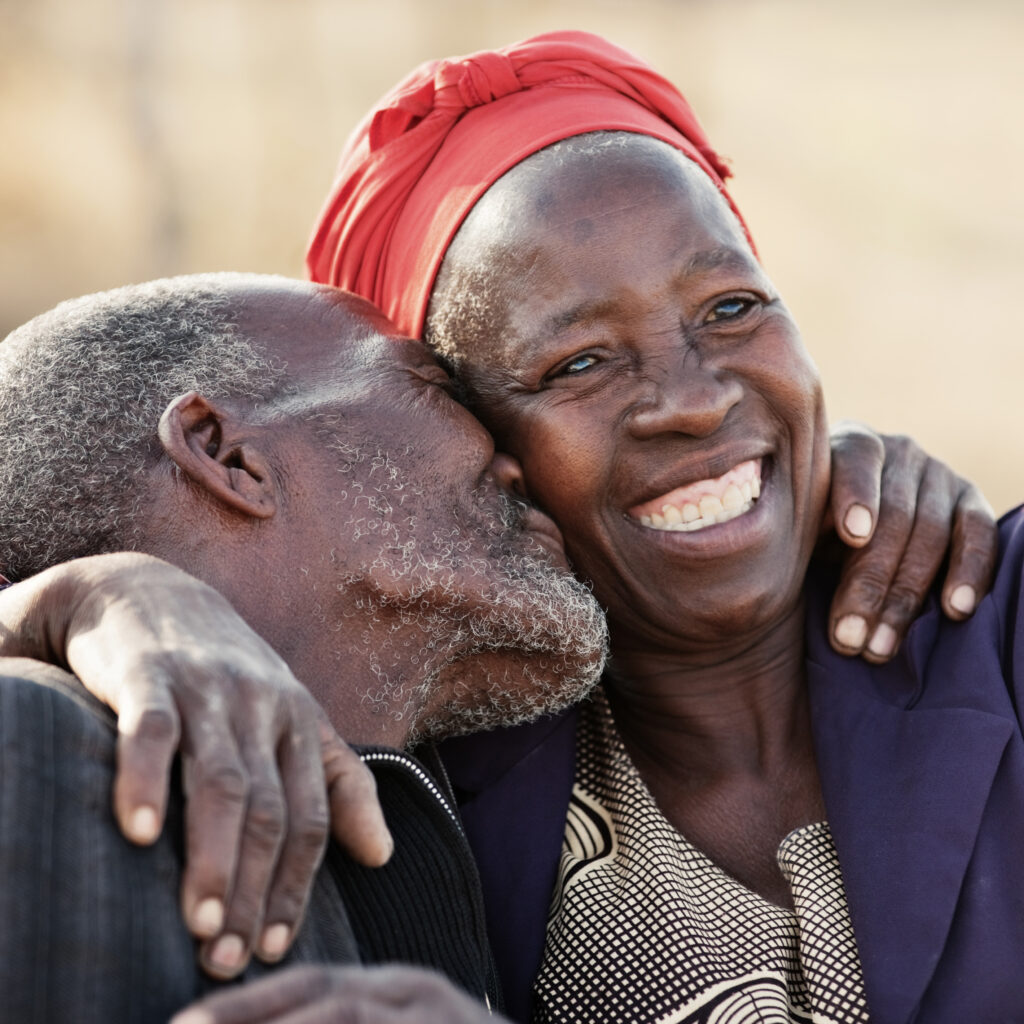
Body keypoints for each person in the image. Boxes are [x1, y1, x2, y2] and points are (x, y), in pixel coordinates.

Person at [299, 30, 1020, 1023]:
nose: (690, 400)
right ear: (468, 443)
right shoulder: (422, 781)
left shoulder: (998, 616)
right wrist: (105, 596)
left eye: (729, 307)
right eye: (580, 363)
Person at [0, 272, 608, 1022]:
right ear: (226, 454)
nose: (516, 462)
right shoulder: (31, 743)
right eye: (433, 385)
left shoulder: (456, 834)